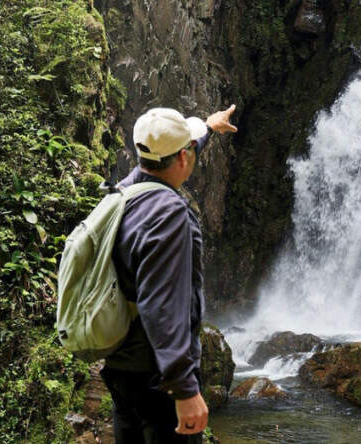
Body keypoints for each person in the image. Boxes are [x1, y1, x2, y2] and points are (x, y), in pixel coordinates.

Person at [100, 105, 238, 443]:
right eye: (189, 148)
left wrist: (209, 126)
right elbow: (161, 306)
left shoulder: (124, 191)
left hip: (121, 366)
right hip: (157, 378)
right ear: (182, 159)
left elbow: (176, 149)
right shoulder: (168, 215)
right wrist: (184, 389)